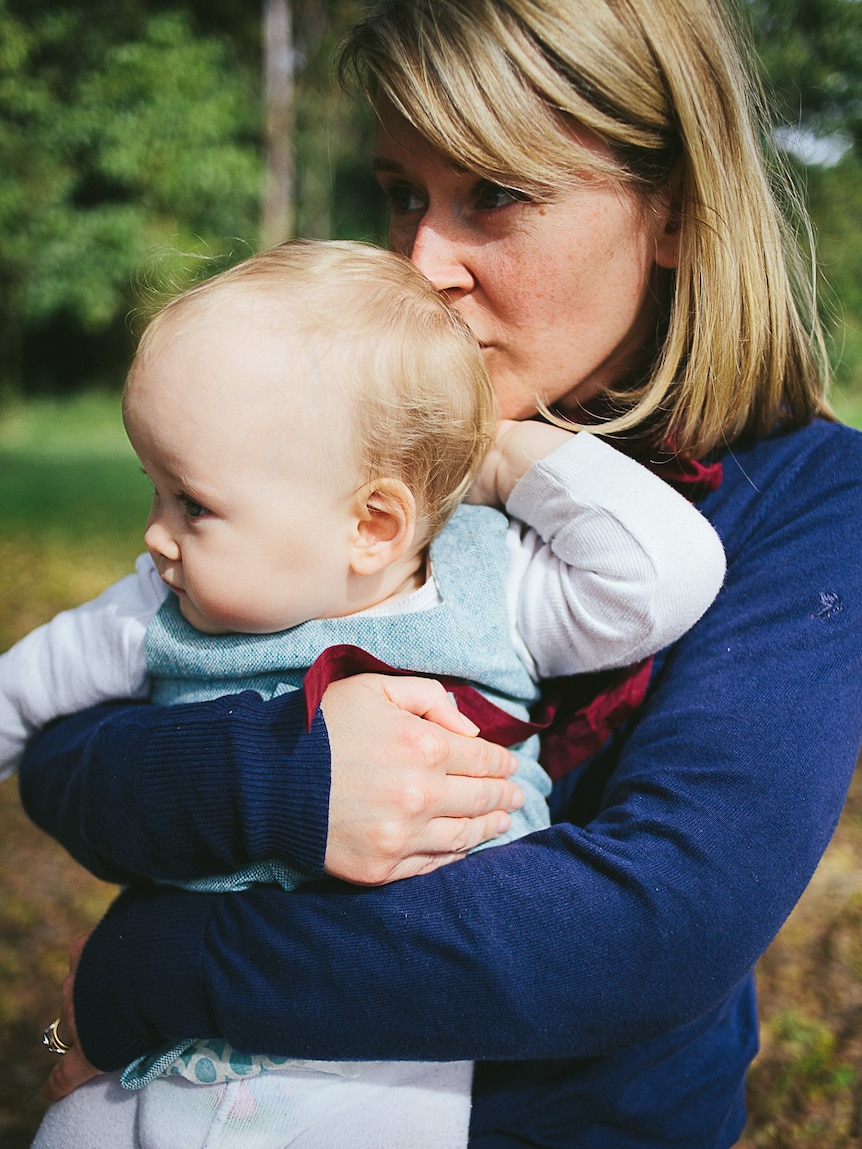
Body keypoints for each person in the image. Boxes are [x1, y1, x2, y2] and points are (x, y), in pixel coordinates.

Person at [18, 0, 862, 1145]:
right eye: (403, 194)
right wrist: (286, 782)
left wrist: (166, 965)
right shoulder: (362, 438)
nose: (423, 262)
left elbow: (654, 928)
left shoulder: (812, 498)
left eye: (494, 197)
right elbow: (72, 756)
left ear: (673, 208)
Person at [2, 238, 724, 1148]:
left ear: (374, 522)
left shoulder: (486, 584)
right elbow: (22, 696)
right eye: (154, 486)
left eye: (192, 502)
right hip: (148, 1055)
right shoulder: (156, 604)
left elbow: (668, 572)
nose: (155, 534)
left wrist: (500, 455)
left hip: (371, 1057)